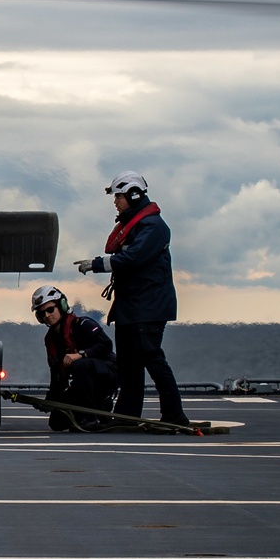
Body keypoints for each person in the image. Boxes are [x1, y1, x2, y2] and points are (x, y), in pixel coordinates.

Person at [74, 171, 191, 427]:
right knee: (128, 365)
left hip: (147, 309)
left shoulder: (153, 227)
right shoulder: (138, 225)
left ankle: (174, 413)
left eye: (119, 197)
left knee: (152, 359)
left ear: (134, 195)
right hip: (131, 308)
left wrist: (96, 264)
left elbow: (134, 258)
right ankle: (126, 416)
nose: (115, 202)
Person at [31, 284, 118, 432]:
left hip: (108, 374)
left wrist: (81, 354)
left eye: (50, 309)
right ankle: (97, 407)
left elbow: (106, 345)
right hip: (84, 383)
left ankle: (91, 416)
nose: (47, 315)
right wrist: (50, 401)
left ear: (62, 306)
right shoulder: (51, 340)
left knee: (79, 365)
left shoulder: (83, 324)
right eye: (42, 313)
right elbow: (57, 377)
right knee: (57, 423)